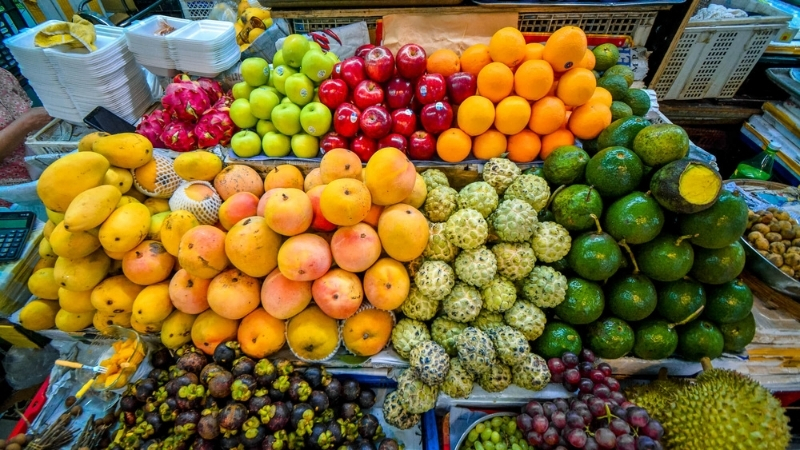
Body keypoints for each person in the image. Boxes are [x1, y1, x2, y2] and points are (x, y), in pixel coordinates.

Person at [0, 68, 52, 208]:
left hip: (43, 172)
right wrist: (25, 123)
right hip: (10, 198)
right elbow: (27, 120)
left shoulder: (3, 75)